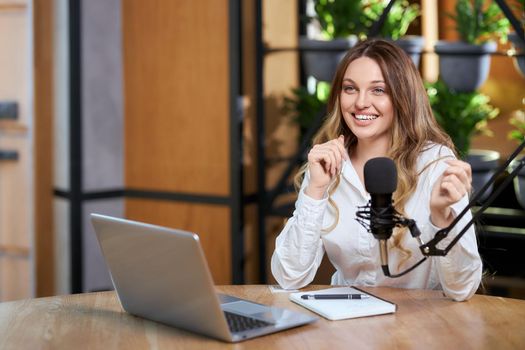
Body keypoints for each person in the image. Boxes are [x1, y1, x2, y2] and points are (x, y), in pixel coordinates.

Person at [271, 39, 482, 301]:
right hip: (347, 324)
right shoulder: (329, 162)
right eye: (350, 88)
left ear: (402, 96)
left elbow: (463, 288)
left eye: (378, 90)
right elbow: (290, 276)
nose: (360, 102)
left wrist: (441, 216)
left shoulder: (435, 164)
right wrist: (315, 189)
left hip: (420, 326)